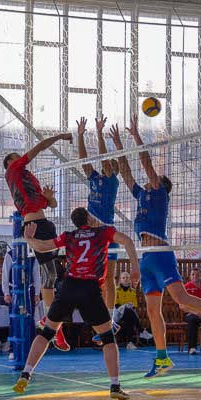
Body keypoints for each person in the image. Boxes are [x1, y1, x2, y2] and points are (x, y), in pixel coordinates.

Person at [113, 115, 201, 378]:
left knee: (181, 299)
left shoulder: (158, 193)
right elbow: (126, 175)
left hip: (161, 254)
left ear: (160, 184)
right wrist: (118, 145)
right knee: (152, 311)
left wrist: (136, 136)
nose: (149, 178)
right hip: (147, 258)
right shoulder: (142, 194)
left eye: (154, 177)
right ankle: (162, 358)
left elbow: (146, 164)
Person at [13, 207, 140, 400]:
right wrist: (135, 268)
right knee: (107, 339)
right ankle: (115, 386)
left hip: (68, 286)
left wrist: (29, 238)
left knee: (46, 333)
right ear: (89, 218)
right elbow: (128, 241)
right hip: (90, 288)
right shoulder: (102, 232)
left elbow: (44, 246)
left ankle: (25, 374)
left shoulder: (69, 235)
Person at [4, 132, 73, 351]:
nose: (22, 159)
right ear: (11, 163)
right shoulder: (13, 170)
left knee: (57, 276)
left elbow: (51, 205)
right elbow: (40, 147)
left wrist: (50, 196)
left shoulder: (28, 180)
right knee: (49, 275)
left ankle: (49, 323)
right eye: (17, 157)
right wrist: (61, 136)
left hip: (45, 224)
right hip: (34, 227)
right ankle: (54, 330)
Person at [77, 116, 121, 310]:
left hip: (106, 233)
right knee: (95, 278)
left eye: (109, 165)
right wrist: (80, 136)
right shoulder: (94, 178)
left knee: (109, 278)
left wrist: (100, 134)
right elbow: (85, 160)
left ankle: (110, 318)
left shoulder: (112, 182)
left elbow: (103, 157)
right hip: (91, 234)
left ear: (112, 169)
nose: (106, 166)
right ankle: (98, 315)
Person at [114, 271, 141, 349]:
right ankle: (141, 329)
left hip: (129, 314)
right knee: (128, 310)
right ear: (120, 280)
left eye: (127, 278)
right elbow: (116, 305)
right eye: (123, 278)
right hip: (118, 314)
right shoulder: (116, 290)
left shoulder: (132, 291)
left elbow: (134, 305)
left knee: (129, 317)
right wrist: (126, 306)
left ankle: (129, 343)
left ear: (130, 280)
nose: (125, 279)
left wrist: (129, 307)